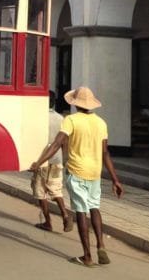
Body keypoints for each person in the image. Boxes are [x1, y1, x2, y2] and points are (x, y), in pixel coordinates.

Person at [30, 86, 124, 267]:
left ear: (75, 103)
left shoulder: (71, 120)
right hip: (95, 173)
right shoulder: (101, 123)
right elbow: (105, 153)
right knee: (94, 208)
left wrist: (39, 161)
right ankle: (101, 245)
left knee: (81, 211)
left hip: (77, 171)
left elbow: (57, 144)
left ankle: (87, 256)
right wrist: (115, 179)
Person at [30, 91, 73, 233]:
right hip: (57, 159)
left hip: (41, 158)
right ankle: (65, 215)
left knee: (40, 191)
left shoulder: (38, 118)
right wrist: (65, 159)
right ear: (54, 102)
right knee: (56, 189)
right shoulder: (61, 119)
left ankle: (48, 222)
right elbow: (64, 142)